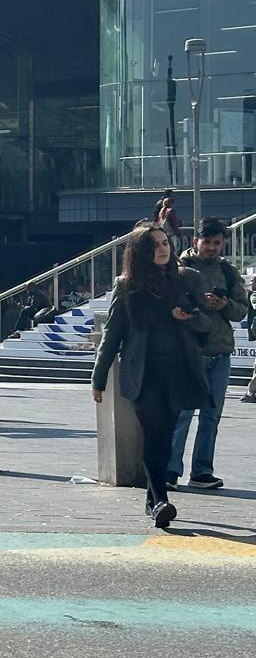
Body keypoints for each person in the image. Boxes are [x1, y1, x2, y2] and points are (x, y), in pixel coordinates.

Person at [92, 224, 212, 530]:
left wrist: (187, 317)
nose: (163, 249)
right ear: (141, 252)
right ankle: (160, 499)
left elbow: (206, 325)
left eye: (165, 243)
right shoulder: (127, 286)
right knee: (154, 432)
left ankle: (152, 499)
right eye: (155, 245)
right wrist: (99, 377)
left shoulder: (185, 279)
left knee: (165, 436)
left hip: (177, 371)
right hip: (144, 374)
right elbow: (112, 333)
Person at [169, 217, 248, 490]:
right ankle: (170, 470)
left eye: (217, 243)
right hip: (189, 352)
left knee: (211, 416)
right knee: (182, 414)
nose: (213, 248)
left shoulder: (227, 271)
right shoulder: (179, 268)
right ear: (196, 241)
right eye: (208, 242)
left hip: (220, 353)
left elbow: (241, 310)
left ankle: (202, 471)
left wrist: (224, 305)